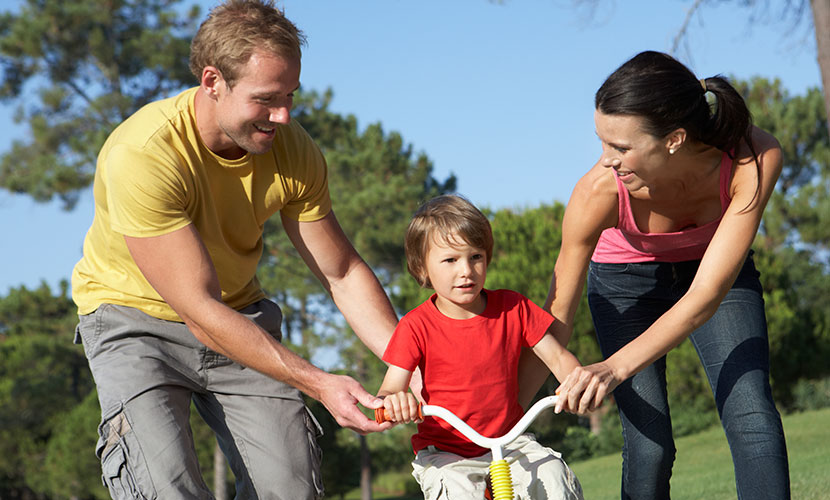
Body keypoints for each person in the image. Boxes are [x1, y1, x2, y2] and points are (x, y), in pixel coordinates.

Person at [70, 1, 399, 498]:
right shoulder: (143, 154)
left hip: (239, 315)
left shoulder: (293, 149)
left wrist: (410, 363)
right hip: (135, 324)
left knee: (291, 488)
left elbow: (343, 273)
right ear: (212, 82)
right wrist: (319, 382)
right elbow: (197, 309)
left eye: (291, 95)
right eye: (266, 98)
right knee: (165, 486)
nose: (283, 115)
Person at [521, 50, 790, 499]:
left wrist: (613, 367)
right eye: (602, 142)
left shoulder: (754, 159)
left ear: (674, 139)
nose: (607, 160)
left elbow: (706, 294)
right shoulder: (596, 194)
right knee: (650, 447)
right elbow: (556, 316)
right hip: (624, 283)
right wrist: (506, 413)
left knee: (753, 419)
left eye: (621, 147)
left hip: (714, 277)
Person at [377, 194, 584, 500]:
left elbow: (556, 356)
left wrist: (579, 383)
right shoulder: (415, 326)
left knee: (553, 476)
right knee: (458, 491)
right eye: (450, 260)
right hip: (448, 452)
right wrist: (395, 402)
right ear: (422, 268)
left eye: (475, 257)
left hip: (511, 440)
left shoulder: (512, 307)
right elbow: (390, 388)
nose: (466, 271)